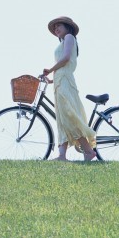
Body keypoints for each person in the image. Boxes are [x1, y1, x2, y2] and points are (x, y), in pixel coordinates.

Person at [41, 16, 97, 161]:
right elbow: (63, 67)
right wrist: (52, 79)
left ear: (68, 27)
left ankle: (88, 151)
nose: (56, 29)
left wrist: (50, 69)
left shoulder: (70, 37)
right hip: (61, 81)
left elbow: (66, 59)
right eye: (54, 28)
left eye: (59, 25)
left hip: (65, 81)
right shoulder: (64, 41)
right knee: (62, 118)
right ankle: (62, 155)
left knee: (69, 115)